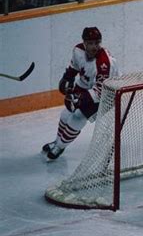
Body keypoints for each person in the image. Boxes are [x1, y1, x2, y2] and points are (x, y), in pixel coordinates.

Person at [42, 27, 120, 161]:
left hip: (107, 95)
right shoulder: (78, 50)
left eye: (97, 43)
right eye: (90, 43)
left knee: (77, 118)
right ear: (84, 43)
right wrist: (67, 78)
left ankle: (60, 147)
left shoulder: (104, 63)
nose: (94, 47)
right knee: (66, 114)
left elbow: (99, 91)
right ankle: (57, 141)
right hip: (84, 86)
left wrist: (80, 98)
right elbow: (74, 68)